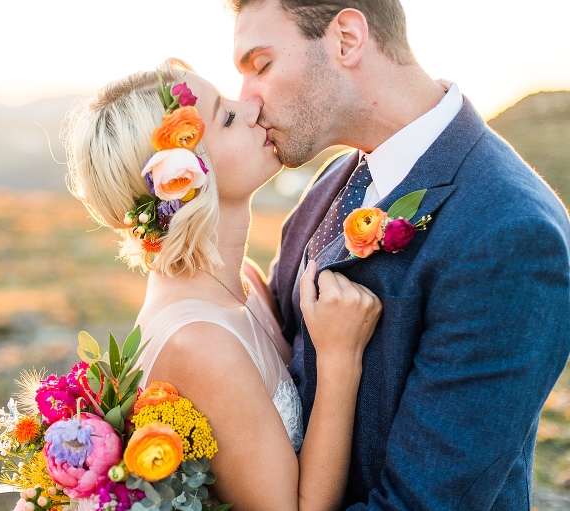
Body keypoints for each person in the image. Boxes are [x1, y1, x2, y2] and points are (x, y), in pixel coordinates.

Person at [230, 0, 570, 509]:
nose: (247, 101)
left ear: (346, 38)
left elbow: (421, 502)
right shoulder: (336, 180)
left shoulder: (512, 231)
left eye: (261, 65)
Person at [64, 59, 382, 510]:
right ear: (184, 181)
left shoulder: (243, 277)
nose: (250, 107)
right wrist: (340, 360)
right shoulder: (200, 342)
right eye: (228, 117)